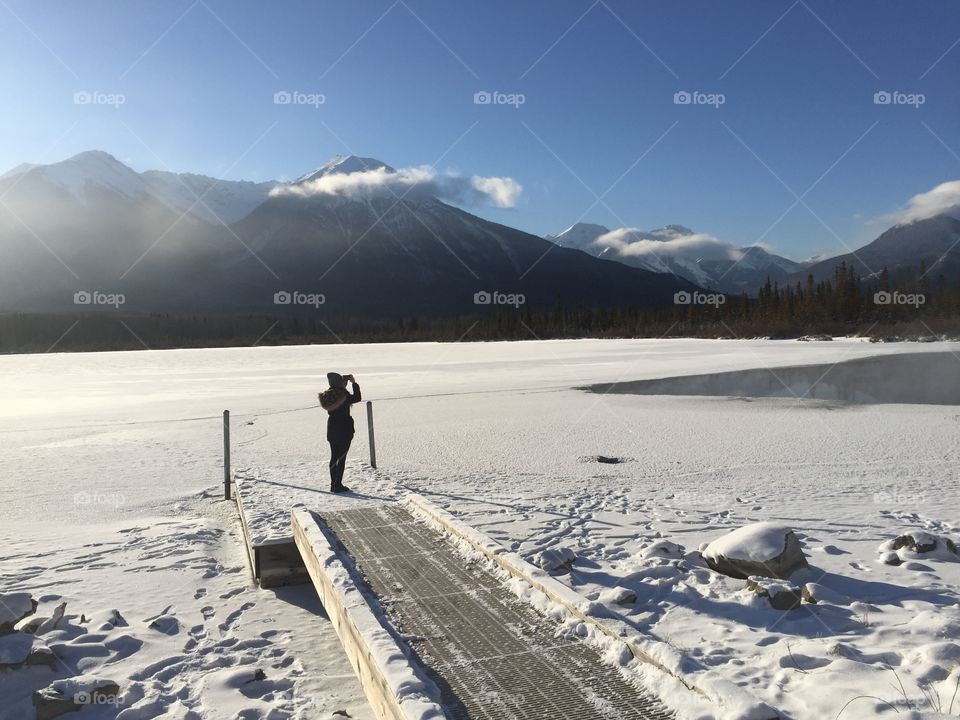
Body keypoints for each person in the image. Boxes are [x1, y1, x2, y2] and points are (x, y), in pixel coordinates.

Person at [318, 372, 361, 493]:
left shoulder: (328, 396)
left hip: (332, 429)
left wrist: (343, 383)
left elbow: (339, 392)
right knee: (341, 458)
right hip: (344, 430)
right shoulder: (344, 395)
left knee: (334, 457)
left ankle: (333, 484)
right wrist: (354, 383)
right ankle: (338, 485)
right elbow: (357, 397)